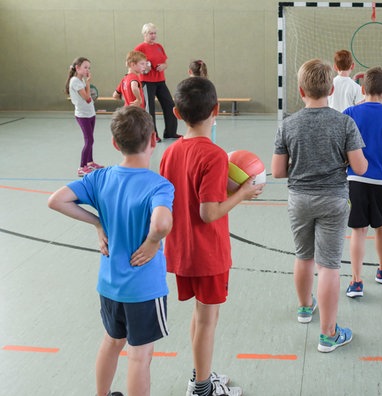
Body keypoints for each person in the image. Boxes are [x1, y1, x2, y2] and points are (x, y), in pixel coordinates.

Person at [47, 106, 174, 396]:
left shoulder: (100, 178)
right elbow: (162, 222)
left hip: (109, 284)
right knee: (140, 356)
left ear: (116, 144)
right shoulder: (159, 186)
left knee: (112, 341)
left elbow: (57, 200)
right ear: (153, 140)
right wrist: (153, 241)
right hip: (143, 288)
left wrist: (97, 223)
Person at [160, 76, 262, 396]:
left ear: (176, 113)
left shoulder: (170, 153)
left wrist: (228, 186)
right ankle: (202, 388)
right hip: (207, 253)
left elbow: (183, 196)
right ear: (216, 109)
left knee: (200, 315)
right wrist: (243, 193)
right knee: (208, 319)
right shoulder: (215, 155)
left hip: (181, 249)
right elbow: (209, 212)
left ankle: (199, 375)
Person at [272, 59, 367, 353]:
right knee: (329, 265)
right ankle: (328, 334)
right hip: (333, 200)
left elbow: (277, 171)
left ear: (301, 90)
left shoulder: (288, 124)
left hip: (299, 199)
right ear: (330, 88)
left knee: (304, 256)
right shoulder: (345, 123)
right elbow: (360, 168)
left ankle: (304, 308)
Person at [343, 67, 382, 298]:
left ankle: (356, 281)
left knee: (358, 230)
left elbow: (342, 148)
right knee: (381, 226)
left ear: (362, 89)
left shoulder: (350, 112)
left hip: (355, 180)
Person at [135, 22, 180, 140]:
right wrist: (145, 68)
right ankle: (152, 136)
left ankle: (170, 132)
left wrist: (164, 66)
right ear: (144, 34)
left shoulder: (159, 46)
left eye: (155, 33)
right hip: (147, 81)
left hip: (160, 81)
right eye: (151, 33)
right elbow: (134, 65)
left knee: (170, 105)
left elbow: (165, 62)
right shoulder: (140, 48)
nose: (153, 36)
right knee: (150, 109)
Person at [65, 56, 103, 177]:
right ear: (77, 67)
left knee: (91, 139)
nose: (88, 70)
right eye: (85, 67)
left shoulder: (80, 80)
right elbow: (87, 98)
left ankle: (90, 162)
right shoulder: (75, 81)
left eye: (89, 68)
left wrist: (86, 82)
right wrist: (88, 82)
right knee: (89, 140)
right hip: (83, 116)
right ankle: (81, 167)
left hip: (90, 113)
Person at [187, 60, 217, 142]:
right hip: (210, 121)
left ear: (190, 71)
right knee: (210, 145)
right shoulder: (209, 86)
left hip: (195, 123)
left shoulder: (188, 88)